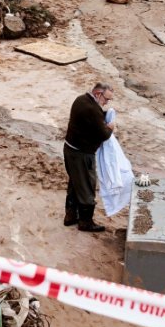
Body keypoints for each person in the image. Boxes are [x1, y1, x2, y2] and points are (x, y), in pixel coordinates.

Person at [61, 83, 114, 232]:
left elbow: (94, 116)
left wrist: (102, 115)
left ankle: (70, 216)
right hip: (81, 154)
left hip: (70, 149)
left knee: (75, 184)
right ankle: (85, 222)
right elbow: (103, 134)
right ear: (98, 94)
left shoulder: (81, 100)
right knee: (86, 187)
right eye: (106, 99)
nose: (107, 103)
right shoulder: (91, 109)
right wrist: (110, 128)